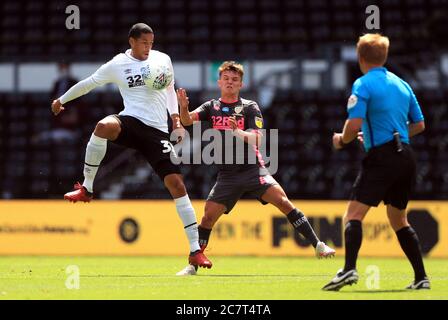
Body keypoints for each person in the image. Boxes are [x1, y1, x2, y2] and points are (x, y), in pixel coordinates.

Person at [50, 23, 212, 270]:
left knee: (177, 185)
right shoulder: (117, 64)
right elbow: (90, 82)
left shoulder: (163, 60)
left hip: (157, 131)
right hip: (131, 120)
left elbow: (169, 89)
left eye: (151, 42)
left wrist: (176, 120)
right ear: (132, 42)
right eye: (144, 42)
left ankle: (194, 251)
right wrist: (62, 100)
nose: (149, 47)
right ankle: (87, 187)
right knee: (103, 126)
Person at [175, 61, 335, 276]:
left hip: (253, 169)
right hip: (227, 175)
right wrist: (183, 108)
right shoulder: (210, 107)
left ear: (241, 84)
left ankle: (318, 245)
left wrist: (238, 132)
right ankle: (193, 265)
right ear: (219, 81)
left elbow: (258, 139)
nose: (230, 83)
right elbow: (186, 121)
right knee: (207, 219)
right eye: (227, 79)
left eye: (235, 80)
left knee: (283, 202)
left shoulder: (250, 107)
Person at [322, 34, 429, 291]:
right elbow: (419, 125)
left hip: (383, 157)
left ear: (360, 58)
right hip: (405, 156)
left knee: (353, 214)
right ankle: (421, 277)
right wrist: (387, 136)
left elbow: (354, 123)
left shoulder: (363, 84)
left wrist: (342, 140)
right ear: (385, 56)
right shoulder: (403, 84)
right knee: (398, 220)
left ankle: (348, 270)